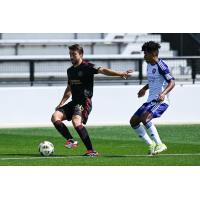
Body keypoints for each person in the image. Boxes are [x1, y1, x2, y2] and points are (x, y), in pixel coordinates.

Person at [51, 44, 132, 157]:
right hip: (74, 102)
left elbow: (103, 70)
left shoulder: (87, 66)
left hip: (84, 101)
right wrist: (61, 103)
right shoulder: (70, 71)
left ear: (81, 55)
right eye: (70, 54)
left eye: (74, 54)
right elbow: (69, 88)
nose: (71, 57)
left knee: (76, 121)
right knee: (55, 116)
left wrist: (120, 74)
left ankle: (91, 151)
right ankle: (71, 140)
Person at [130, 41, 175, 155]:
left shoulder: (161, 66)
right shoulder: (149, 65)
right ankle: (151, 144)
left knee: (145, 118)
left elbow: (172, 82)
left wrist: (164, 93)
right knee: (134, 121)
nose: (144, 56)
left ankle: (160, 144)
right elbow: (153, 81)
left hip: (161, 101)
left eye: (145, 53)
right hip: (150, 101)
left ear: (153, 53)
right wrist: (144, 88)